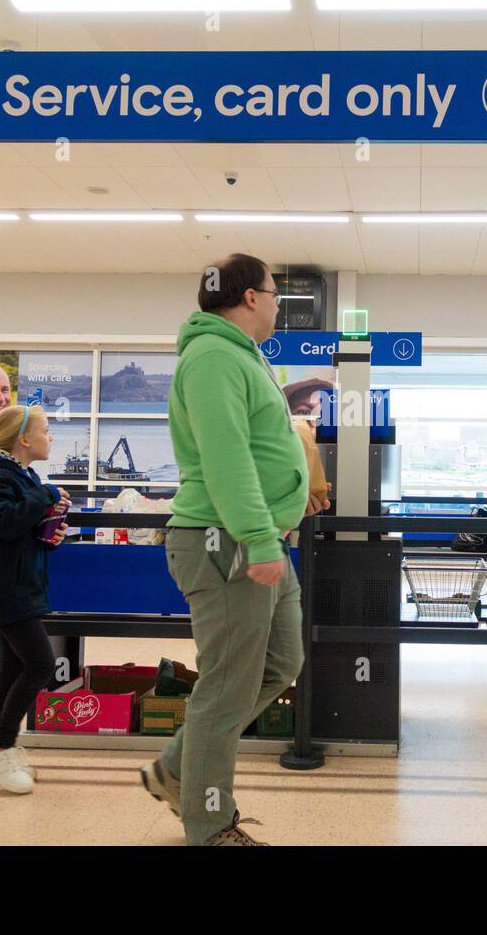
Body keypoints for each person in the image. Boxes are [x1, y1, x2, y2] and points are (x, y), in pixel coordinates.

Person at [140, 253, 329, 845]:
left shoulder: (243, 356)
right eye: (275, 293)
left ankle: (176, 770)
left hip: (259, 540)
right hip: (229, 544)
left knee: (281, 664)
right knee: (225, 691)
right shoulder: (215, 357)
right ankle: (211, 825)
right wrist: (258, 536)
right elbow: (227, 460)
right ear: (251, 297)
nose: (278, 303)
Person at [0, 404, 68, 794]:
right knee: (41, 664)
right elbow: (3, 521)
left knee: (12, 670)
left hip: (21, 583)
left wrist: (49, 534)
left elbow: (18, 528)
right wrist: (43, 496)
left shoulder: (23, 475)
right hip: (5, 588)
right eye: (45, 431)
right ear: (25, 439)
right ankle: (0, 746)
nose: (50, 437)